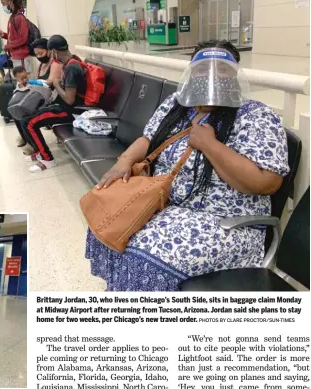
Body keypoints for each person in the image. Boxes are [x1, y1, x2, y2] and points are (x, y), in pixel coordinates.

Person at [85, 40, 290, 292]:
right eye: (203, 68)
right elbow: (149, 138)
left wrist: (210, 145)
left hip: (225, 223)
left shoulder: (255, 115)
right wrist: (125, 161)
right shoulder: (177, 105)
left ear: (235, 74)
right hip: (167, 206)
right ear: (192, 72)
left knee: (142, 258)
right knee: (108, 226)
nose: (212, 75)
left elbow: (266, 182)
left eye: (222, 69)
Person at [18, 35, 86, 172]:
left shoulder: (72, 67)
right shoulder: (71, 62)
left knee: (30, 123)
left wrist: (56, 84)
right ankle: (39, 152)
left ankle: (47, 159)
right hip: (65, 107)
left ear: (54, 51)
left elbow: (69, 99)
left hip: (72, 111)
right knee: (26, 118)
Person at [0, 0, 31, 73]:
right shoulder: (12, 17)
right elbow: (15, 37)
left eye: (3, 3)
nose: (3, 6)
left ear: (10, 1)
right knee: (19, 81)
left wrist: (7, 46)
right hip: (14, 56)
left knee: (24, 82)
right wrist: (4, 35)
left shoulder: (19, 18)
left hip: (21, 57)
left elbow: (23, 39)